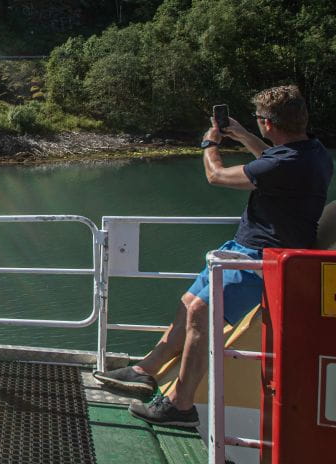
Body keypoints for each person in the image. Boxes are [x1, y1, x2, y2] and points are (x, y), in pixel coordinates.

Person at [94, 85, 333, 427]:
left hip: (262, 259)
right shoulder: (312, 151)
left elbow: (216, 175)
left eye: (259, 122)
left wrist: (211, 144)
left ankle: (180, 405)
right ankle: (146, 369)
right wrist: (244, 134)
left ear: (269, 123)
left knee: (201, 315)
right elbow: (270, 155)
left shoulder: (286, 163)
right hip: (242, 247)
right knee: (189, 301)